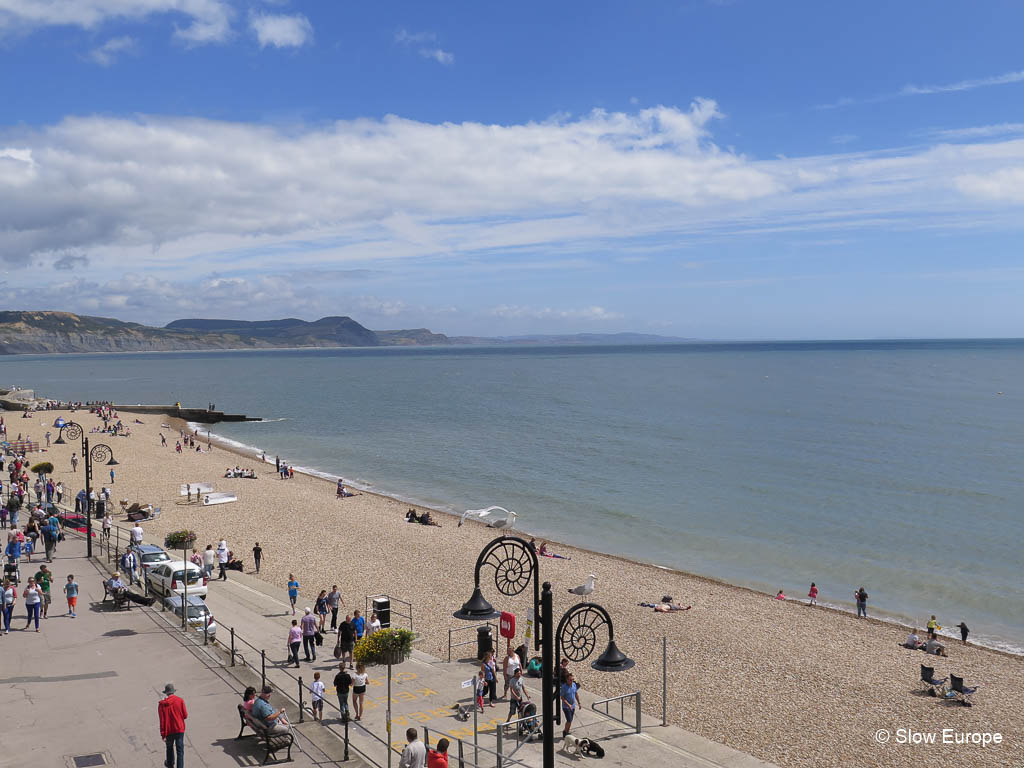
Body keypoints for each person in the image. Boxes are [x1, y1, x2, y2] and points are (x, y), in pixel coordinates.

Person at [158, 683, 188, 768]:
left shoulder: (162, 705)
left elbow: (162, 720)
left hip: (168, 731)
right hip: (179, 729)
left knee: (169, 749)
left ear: (166, 693)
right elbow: (185, 715)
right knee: (180, 751)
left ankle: (170, 765)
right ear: (173, 691)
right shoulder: (180, 700)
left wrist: (163, 734)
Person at [560, 671, 581, 738]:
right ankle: (565, 732)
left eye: (572, 680)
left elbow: (576, 694)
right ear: (567, 680)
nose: (571, 681)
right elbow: (562, 698)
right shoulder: (564, 687)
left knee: (570, 720)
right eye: (570, 680)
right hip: (566, 707)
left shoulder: (574, 685)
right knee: (569, 720)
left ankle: (567, 731)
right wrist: (568, 704)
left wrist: (579, 703)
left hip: (573, 706)